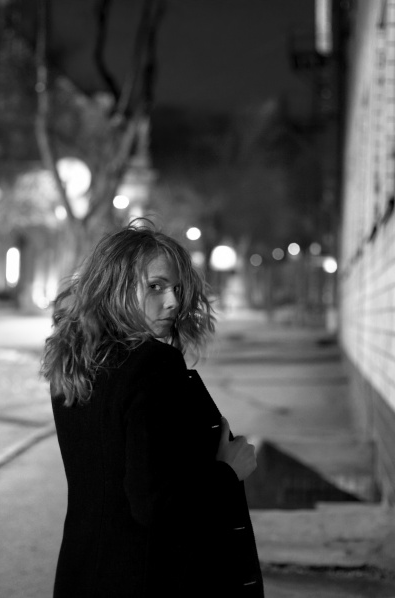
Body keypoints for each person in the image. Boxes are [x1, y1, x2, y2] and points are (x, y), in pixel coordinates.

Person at [41, 220, 264, 597]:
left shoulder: (76, 365)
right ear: (115, 289)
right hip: (150, 580)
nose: (173, 301)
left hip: (86, 573)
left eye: (177, 288)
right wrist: (228, 471)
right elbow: (154, 503)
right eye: (155, 286)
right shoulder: (153, 365)